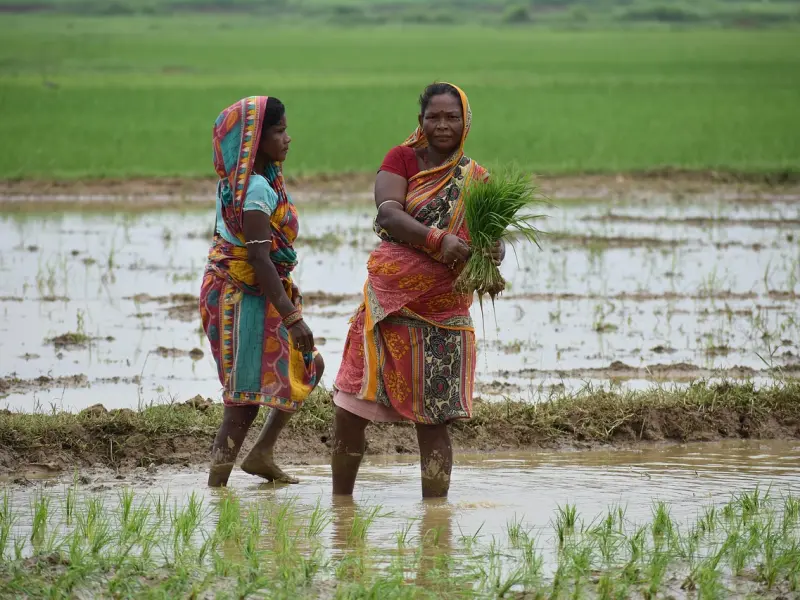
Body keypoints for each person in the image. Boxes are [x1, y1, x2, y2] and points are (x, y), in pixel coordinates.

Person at [331, 82, 505, 498]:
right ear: (420, 121)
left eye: (452, 117)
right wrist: (436, 239)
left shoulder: (476, 178)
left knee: (434, 422)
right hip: (388, 307)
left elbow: (492, 238)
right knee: (350, 411)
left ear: (465, 122)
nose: (442, 125)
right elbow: (388, 213)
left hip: (443, 312)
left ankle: (436, 516)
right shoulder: (402, 159)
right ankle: (340, 505)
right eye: (434, 117)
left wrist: (494, 249)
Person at [199, 96, 324, 487]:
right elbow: (259, 259)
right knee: (242, 401)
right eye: (279, 131)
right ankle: (216, 489)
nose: (288, 138)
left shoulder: (244, 184)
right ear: (255, 141)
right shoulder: (254, 190)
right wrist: (293, 317)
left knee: (309, 366)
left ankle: (261, 453)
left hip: (250, 291)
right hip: (241, 294)